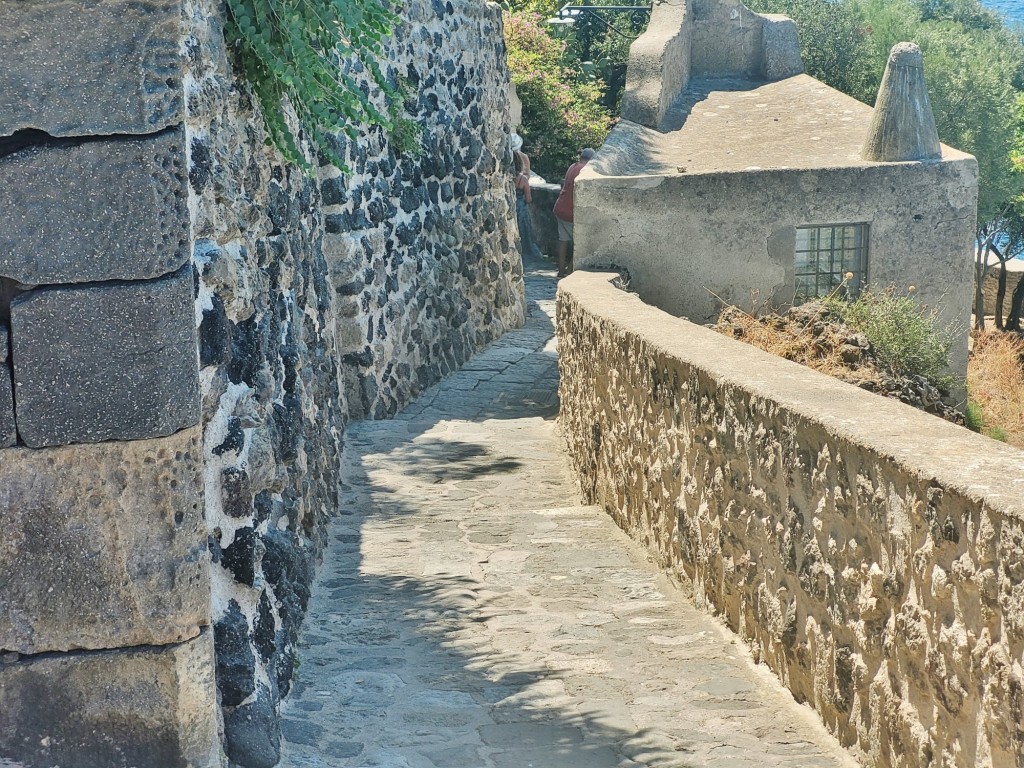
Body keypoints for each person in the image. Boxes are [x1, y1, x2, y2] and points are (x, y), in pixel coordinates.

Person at [552, 147, 595, 277]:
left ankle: (560, 270)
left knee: (563, 240)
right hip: (573, 211)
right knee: (579, 243)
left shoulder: (573, 166)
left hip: (561, 207)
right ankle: (570, 271)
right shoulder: (585, 170)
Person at [510, 133, 542, 261]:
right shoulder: (523, 179)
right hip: (521, 207)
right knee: (524, 231)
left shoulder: (509, 178)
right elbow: (528, 199)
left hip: (512, 206)